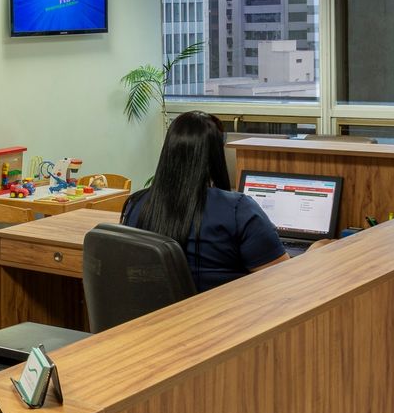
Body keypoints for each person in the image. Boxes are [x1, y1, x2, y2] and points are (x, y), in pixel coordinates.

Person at [121, 111, 291, 291]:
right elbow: (282, 277)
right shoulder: (238, 209)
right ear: (216, 155)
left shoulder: (136, 203)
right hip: (223, 315)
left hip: (157, 317)